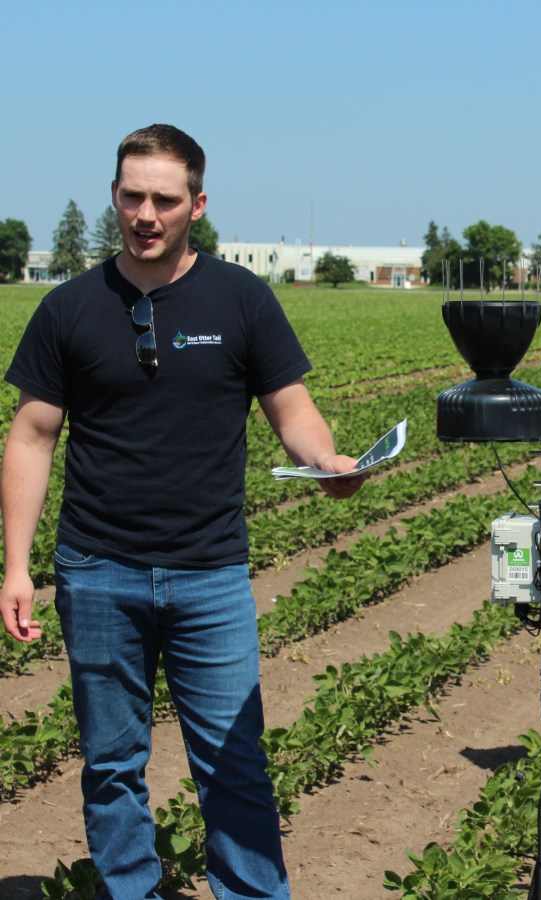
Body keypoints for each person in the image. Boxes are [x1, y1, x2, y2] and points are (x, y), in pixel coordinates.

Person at [0, 124, 363, 900]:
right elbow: (32, 438)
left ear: (197, 204)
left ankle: (253, 894)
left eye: (165, 199)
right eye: (132, 196)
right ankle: (131, 889)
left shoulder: (240, 298)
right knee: (110, 763)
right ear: (114, 197)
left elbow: (291, 407)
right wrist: (16, 566)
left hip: (211, 575)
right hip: (97, 570)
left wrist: (324, 461)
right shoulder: (68, 308)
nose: (146, 214)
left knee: (234, 762)